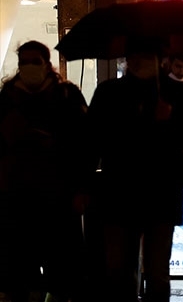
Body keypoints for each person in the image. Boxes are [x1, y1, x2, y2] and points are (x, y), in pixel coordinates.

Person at [84, 37, 183, 302]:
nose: (139, 61)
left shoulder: (179, 95)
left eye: (146, 55)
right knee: (118, 273)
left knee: (157, 272)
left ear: (159, 59)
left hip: (161, 194)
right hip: (120, 194)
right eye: (134, 55)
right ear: (127, 59)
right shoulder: (109, 93)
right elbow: (93, 141)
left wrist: (168, 123)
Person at [0, 40, 89, 302]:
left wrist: (81, 188)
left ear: (47, 64)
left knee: (62, 267)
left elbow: (84, 144)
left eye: (34, 61)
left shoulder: (67, 97)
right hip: (16, 195)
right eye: (23, 62)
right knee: (19, 266)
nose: (29, 67)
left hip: (58, 195)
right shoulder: (7, 99)